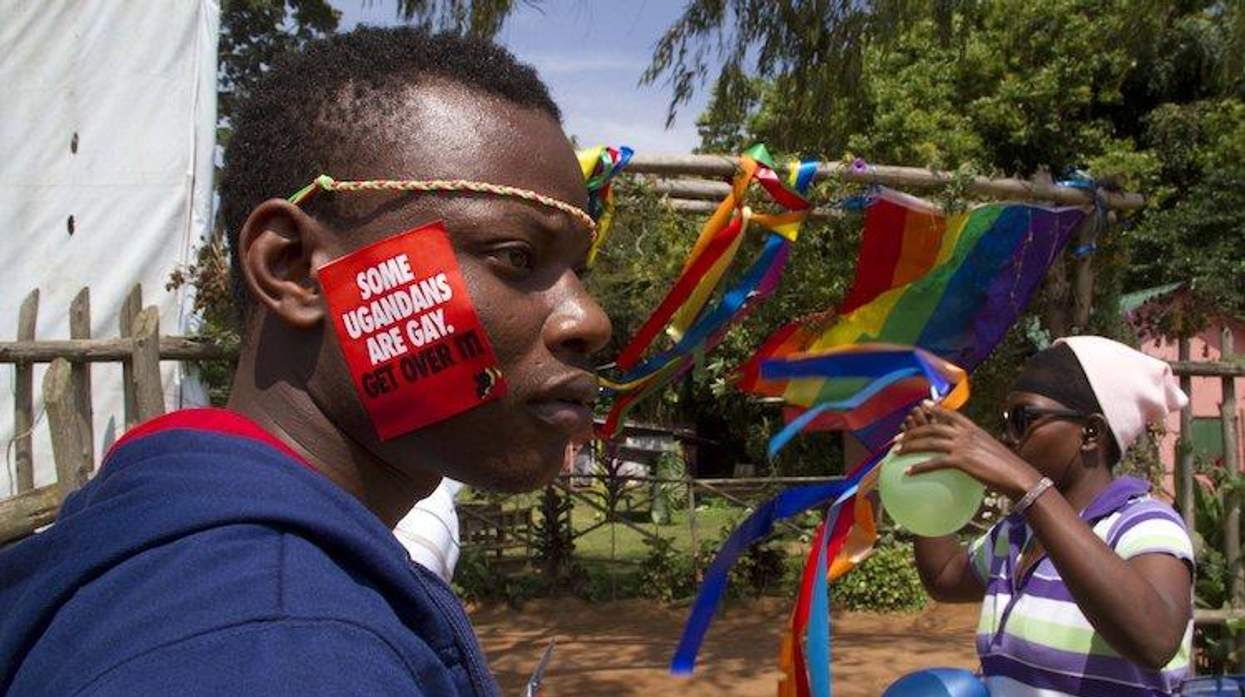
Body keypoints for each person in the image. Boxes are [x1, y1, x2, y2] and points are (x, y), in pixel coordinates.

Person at [0, 27, 609, 697]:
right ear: (292, 269)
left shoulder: (168, 551)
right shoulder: (279, 647)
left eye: (576, 271)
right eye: (515, 256)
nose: (588, 318)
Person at [899, 336, 1193, 696]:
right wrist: (923, 484)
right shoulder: (1018, 532)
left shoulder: (1143, 523)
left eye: (1023, 419)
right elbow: (944, 577)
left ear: (1091, 433)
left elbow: (1156, 639)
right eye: (1006, 420)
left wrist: (1028, 486)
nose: (1006, 439)